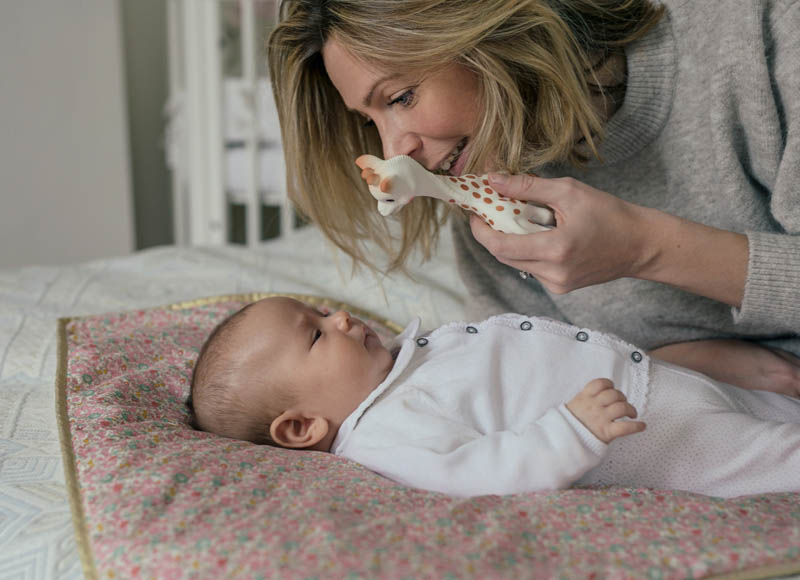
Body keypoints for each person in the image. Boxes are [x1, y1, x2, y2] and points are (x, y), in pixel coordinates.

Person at [267, 1, 800, 398]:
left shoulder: (759, 34)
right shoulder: (488, 185)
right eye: (371, 120)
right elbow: (521, 380)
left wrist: (646, 248)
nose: (395, 149)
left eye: (401, 97)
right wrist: (664, 367)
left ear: (484, 29)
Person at [187, 297, 800, 498]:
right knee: (773, 454)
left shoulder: (399, 366)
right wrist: (570, 432)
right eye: (317, 333)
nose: (341, 315)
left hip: (651, 386)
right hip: (649, 438)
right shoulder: (385, 433)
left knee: (777, 416)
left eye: (323, 309)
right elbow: (477, 472)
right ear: (300, 428)